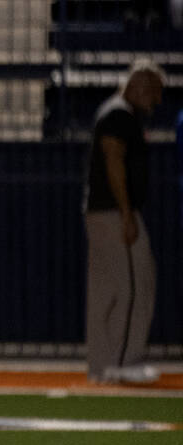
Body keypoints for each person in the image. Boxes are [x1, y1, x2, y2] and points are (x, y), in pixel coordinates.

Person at [83, 60, 166, 384]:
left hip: (103, 212)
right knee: (134, 286)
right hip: (114, 213)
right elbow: (113, 157)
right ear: (138, 85)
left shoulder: (113, 111)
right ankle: (123, 361)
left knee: (106, 290)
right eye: (154, 92)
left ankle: (102, 366)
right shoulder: (120, 115)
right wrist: (126, 212)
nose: (157, 101)